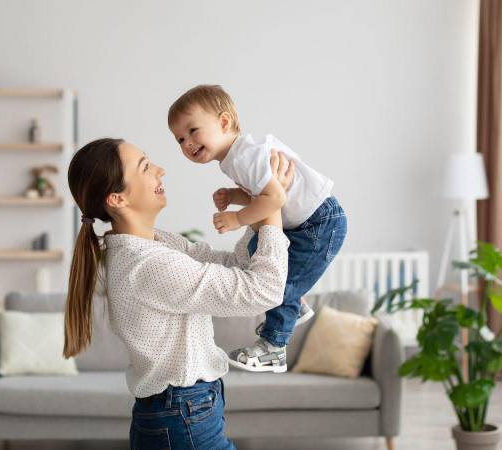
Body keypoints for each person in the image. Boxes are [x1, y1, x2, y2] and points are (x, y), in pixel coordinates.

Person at [63, 137, 294, 450]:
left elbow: (235, 265)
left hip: (182, 413)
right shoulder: (148, 265)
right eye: (145, 167)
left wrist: (259, 205)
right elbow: (263, 291)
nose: (160, 170)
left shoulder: (157, 244)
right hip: (183, 417)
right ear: (117, 199)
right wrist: (272, 207)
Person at [168, 85, 347, 373]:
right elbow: (263, 193)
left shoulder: (243, 157)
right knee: (257, 250)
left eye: (192, 130)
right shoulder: (236, 158)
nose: (187, 142)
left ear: (224, 122)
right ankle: (295, 305)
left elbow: (275, 198)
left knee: (275, 286)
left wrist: (237, 218)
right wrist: (234, 195)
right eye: (179, 139)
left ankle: (274, 347)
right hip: (305, 221)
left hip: (318, 222)